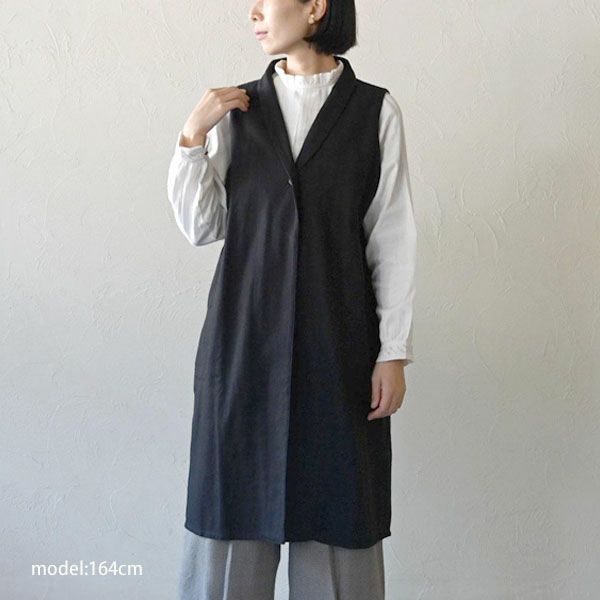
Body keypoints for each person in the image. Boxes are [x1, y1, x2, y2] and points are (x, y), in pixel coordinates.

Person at [167, 0, 417, 598]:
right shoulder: (238, 111)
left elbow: (392, 234)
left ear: (315, 8)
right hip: (243, 346)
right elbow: (202, 226)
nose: (253, 11)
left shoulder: (374, 111)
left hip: (340, 348)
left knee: (338, 524)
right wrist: (193, 136)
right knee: (230, 522)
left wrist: (393, 351)